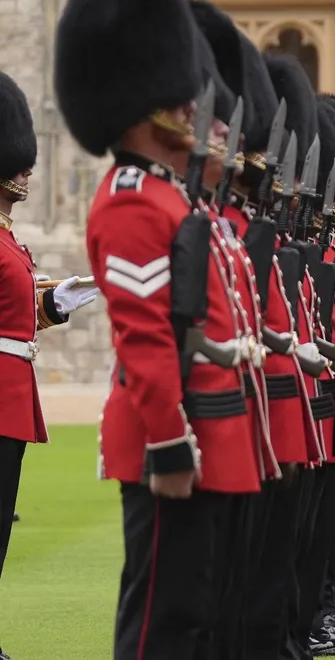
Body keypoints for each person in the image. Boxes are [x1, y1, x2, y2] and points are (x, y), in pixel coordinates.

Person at [58, 0, 274, 659]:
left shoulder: (170, 195)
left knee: (196, 612)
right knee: (162, 621)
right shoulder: (129, 201)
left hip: (209, 427)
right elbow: (145, 337)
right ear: (142, 101)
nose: (193, 108)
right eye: (181, 98)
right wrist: (169, 443)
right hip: (171, 434)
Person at [0, 72, 101, 660]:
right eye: (17, 164)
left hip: (13, 394)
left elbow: (13, 309)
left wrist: (54, 302)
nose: (26, 172)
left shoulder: (9, 237)